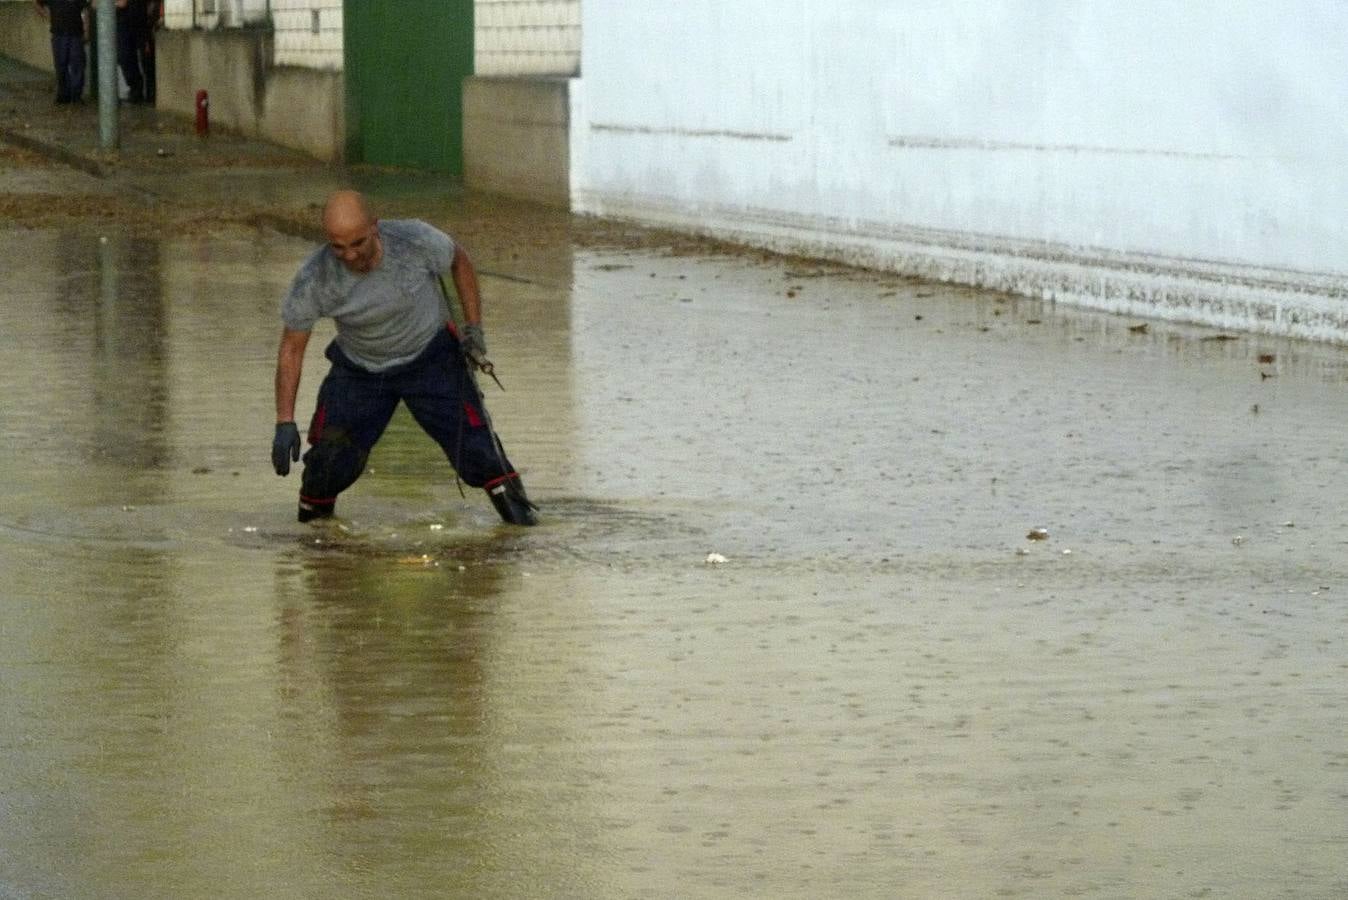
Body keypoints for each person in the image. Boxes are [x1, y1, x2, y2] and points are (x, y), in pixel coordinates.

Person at [271, 190, 537, 526]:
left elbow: (460, 262)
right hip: (359, 370)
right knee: (327, 465)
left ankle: (525, 533)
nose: (350, 256)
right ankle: (317, 556)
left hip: (431, 358)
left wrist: (474, 330)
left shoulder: (416, 240)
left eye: (358, 243)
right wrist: (284, 420)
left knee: (479, 453)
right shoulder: (315, 278)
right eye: (339, 247)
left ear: (375, 227)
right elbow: (291, 348)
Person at [33, 0, 90, 104]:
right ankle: (64, 94)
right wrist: (48, 17)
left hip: (76, 34)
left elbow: (85, 11)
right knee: (61, 65)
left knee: (77, 65)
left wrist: (86, 30)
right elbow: (37, 4)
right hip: (58, 33)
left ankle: (76, 96)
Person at [114, 0, 156, 104]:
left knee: (147, 60)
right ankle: (136, 90)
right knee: (125, 57)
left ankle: (150, 94)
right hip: (124, 22)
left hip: (141, 21)